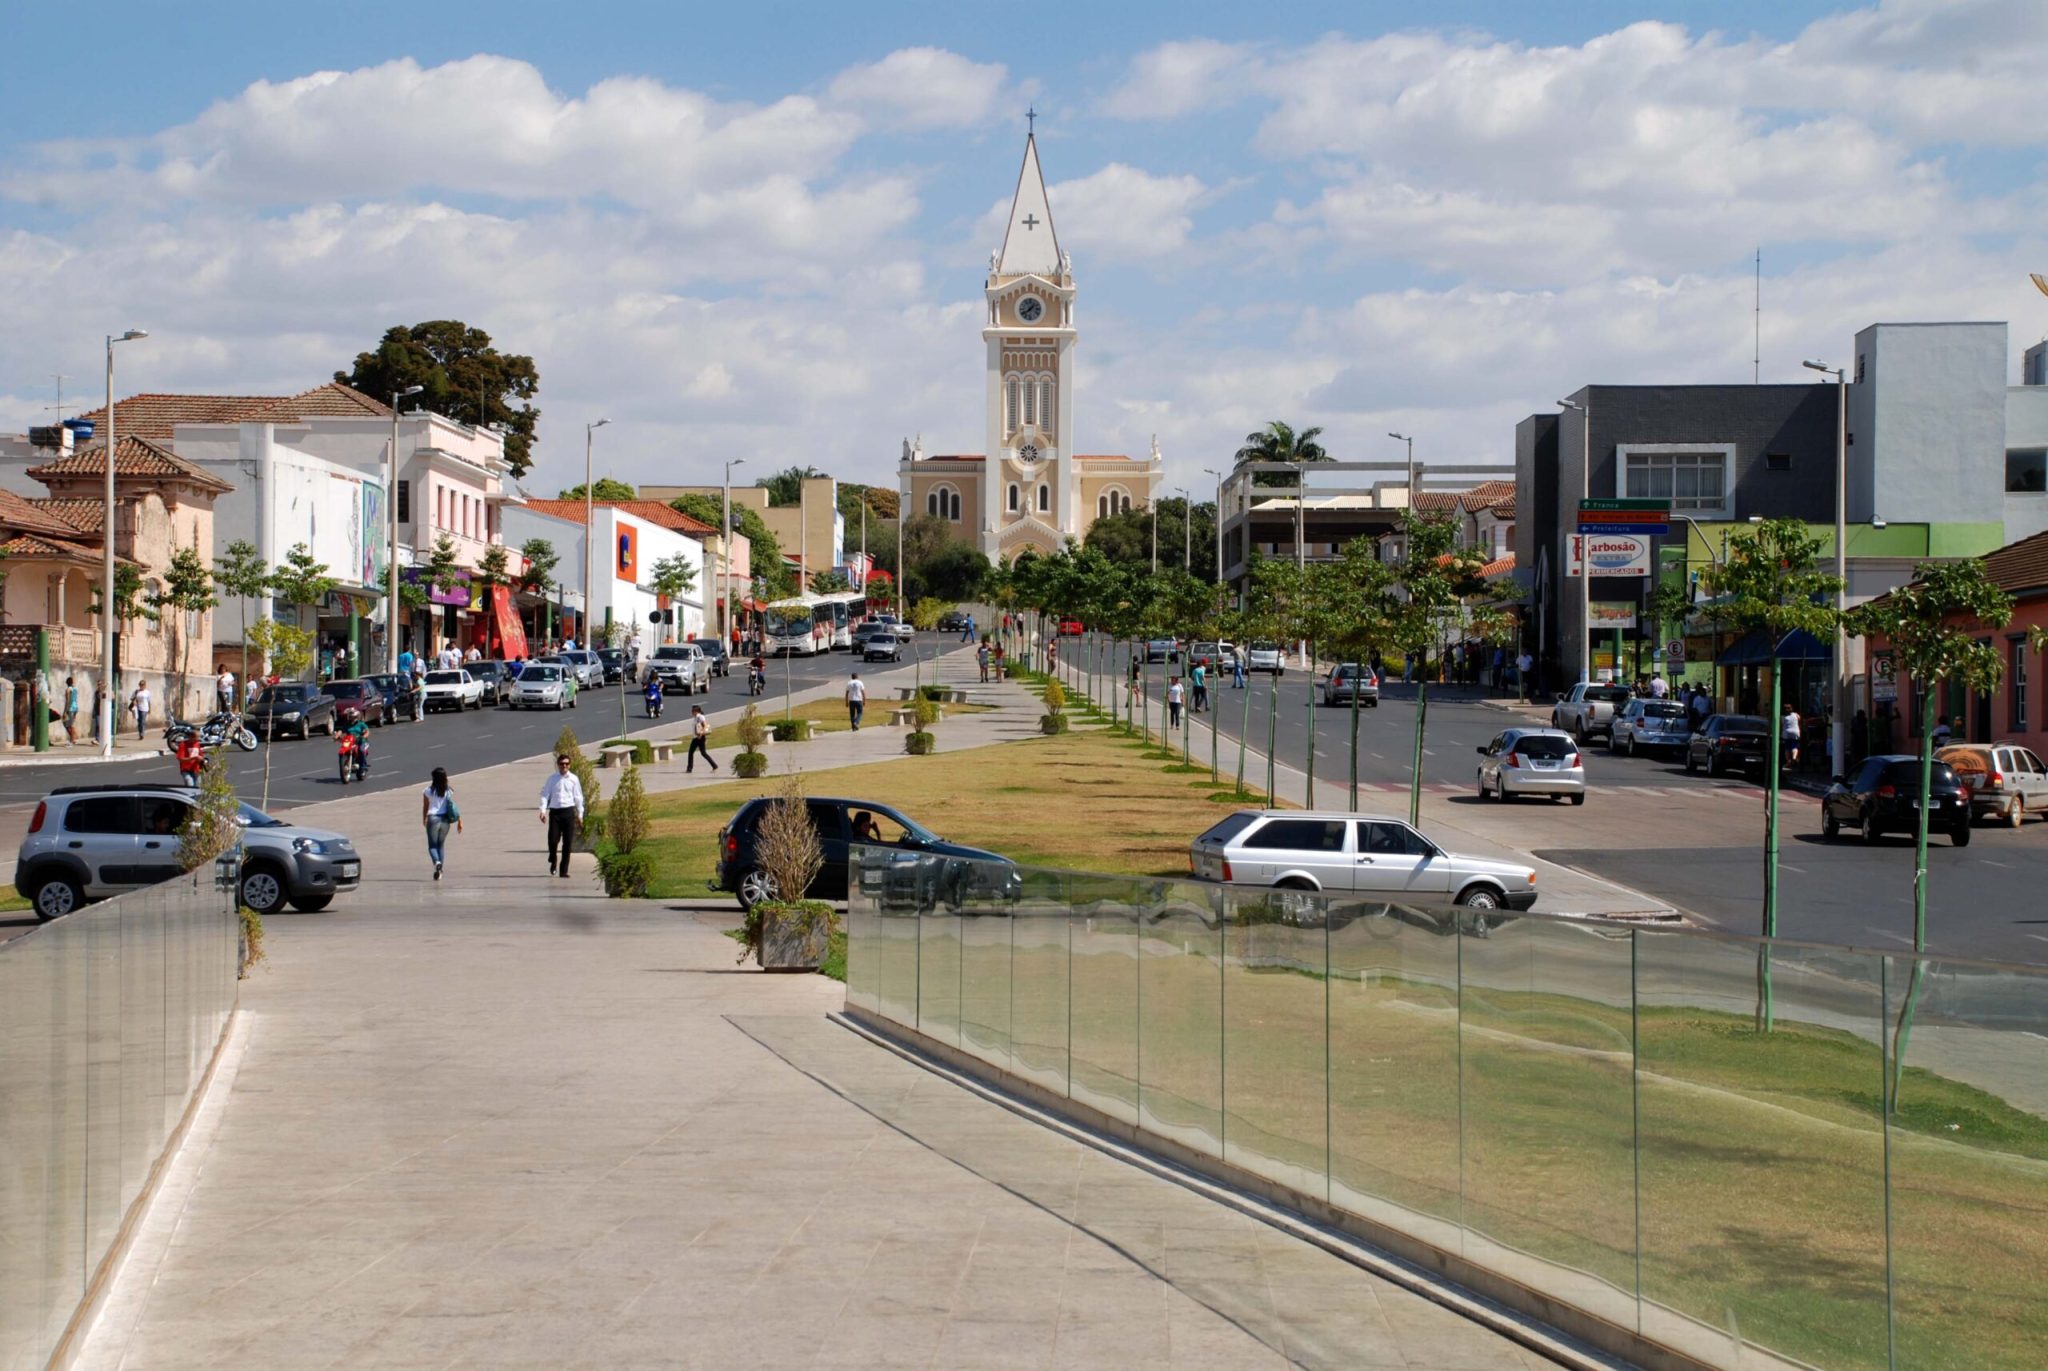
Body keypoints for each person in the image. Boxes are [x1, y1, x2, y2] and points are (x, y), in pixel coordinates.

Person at [539, 754, 585, 877]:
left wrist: (580, 815)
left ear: (569, 765)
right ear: (558, 765)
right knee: (553, 840)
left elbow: (578, 797)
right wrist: (543, 811)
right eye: (562, 764)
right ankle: (553, 859)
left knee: (567, 843)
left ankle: (563, 870)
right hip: (555, 813)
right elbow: (545, 795)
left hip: (568, 812)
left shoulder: (574, 779)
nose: (564, 766)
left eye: (566, 764)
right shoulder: (552, 779)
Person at [422, 766, 462, 880]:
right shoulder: (449, 790)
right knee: (440, 845)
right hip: (445, 820)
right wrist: (459, 820)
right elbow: (452, 805)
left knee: (432, 846)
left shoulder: (428, 791)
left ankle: (437, 862)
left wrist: (424, 818)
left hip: (432, 819)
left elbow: (425, 807)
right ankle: (439, 872)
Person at [686, 705, 718, 772]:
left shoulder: (700, 717)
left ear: (696, 711)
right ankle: (689, 768)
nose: (691, 712)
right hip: (696, 737)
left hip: (699, 738)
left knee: (702, 753)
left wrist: (701, 733)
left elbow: (705, 725)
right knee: (693, 752)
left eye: (692, 711)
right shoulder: (695, 718)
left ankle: (714, 766)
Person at [1781, 705, 1802, 770]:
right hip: (1795, 733)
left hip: (1786, 733)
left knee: (1787, 748)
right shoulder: (1796, 715)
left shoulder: (1782, 717)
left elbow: (1781, 725)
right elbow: (1799, 721)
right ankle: (1794, 758)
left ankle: (1789, 761)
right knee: (1794, 746)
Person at [62, 676, 79, 745]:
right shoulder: (75, 689)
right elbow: (76, 699)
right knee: (70, 724)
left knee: (67, 724)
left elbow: (67, 701)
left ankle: (72, 740)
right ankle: (74, 739)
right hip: (75, 708)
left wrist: (65, 711)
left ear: (67, 683)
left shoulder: (68, 690)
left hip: (70, 708)